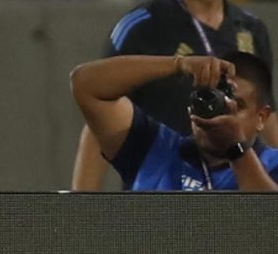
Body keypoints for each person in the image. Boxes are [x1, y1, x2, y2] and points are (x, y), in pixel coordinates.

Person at [72, 0, 273, 190]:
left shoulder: (252, 29)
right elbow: (98, 116)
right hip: (163, 175)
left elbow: (267, 116)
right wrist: (82, 211)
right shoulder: (143, 26)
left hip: (236, 183)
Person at [70, 50, 278, 191]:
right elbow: (85, 85)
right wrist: (179, 64)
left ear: (262, 117)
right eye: (211, 99)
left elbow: (269, 226)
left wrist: (236, 150)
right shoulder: (154, 147)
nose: (221, 113)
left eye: (237, 106)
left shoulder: (273, 165)